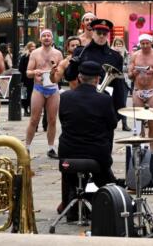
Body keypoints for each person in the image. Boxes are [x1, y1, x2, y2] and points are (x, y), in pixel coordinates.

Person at [58, 61, 119, 220]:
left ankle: (70, 207)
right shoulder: (104, 100)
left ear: (79, 77)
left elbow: (63, 120)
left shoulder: (65, 97)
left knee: (70, 177)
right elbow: (112, 124)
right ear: (98, 79)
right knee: (106, 179)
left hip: (68, 152)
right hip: (96, 155)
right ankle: (111, 204)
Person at [65, 19, 125, 117]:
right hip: (83, 101)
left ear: (108, 35)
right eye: (99, 32)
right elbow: (69, 77)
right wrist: (73, 65)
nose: (101, 36)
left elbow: (118, 85)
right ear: (93, 33)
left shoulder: (116, 57)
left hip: (104, 105)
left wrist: (118, 111)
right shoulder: (80, 51)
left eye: (105, 33)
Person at [25, 29, 64, 158]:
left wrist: (55, 71)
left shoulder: (58, 53)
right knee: (34, 119)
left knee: (52, 120)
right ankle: (27, 147)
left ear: (52, 39)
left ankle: (51, 148)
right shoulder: (35, 53)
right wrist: (35, 71)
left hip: (53, 88)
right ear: (40, 39)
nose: (46, 38)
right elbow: (28, 72)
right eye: (44, 36)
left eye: (49, 36)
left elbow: (61, 72)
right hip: (39, 88)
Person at [128, 34, 153, 151]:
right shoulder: (135, 55)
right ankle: (140, 148)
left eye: (147, 43)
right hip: (137, 90)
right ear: (140, 44)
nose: (145, 46)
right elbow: (129, 76)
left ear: (151, 43)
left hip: (152, 91)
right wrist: (135, 72)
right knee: (138, 122)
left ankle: (151, 150)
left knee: (152, 122)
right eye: (142, 43)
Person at [111, 37, 132, 131]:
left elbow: (128, 68)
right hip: (112, 80)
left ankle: (125, 124)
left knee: (123, 103)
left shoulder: (127, 54)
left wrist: (121, 59)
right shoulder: (110, 54)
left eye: (120, 44)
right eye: (116, 44)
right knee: (111, 102)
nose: (118, 46)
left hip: (123, 80)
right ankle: (112, 121)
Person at [19, 41, 36, 116]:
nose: (33, 48)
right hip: (25, 79)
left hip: (33, 79)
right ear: (29, 48)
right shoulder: (24, 57)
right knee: (25, 95)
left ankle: (32, 109)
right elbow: (21, 68)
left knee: (32, 94)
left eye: (34, 46)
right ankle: (26, 109)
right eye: (32, 46)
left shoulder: (36, 56)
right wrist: (22, 79)